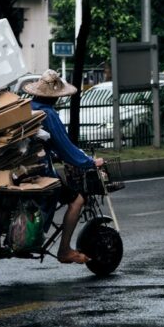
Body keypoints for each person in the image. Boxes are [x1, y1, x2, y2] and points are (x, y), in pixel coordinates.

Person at [23, 70, 104, 264]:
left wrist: (54, 154)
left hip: (24, 167)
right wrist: (90, 162)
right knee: (76, 199)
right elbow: (65, 147)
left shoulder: (28, 107)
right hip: (40, 172)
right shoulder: (48, 114)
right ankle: (65, 250)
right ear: (54, 97)